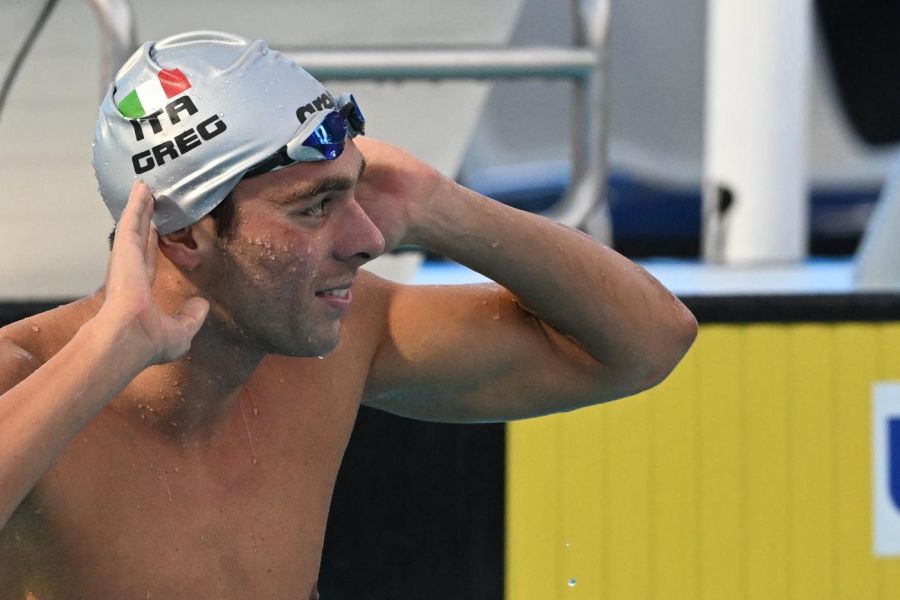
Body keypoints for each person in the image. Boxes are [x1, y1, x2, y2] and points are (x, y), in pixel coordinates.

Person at [0, 31, 696, 599]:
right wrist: (106, 354)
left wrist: (438, 206)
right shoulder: (22, 379)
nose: (368, 239)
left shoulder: (336, 345)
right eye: (314, 208)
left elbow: (645, 344)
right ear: (184, 236)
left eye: (353, 193)